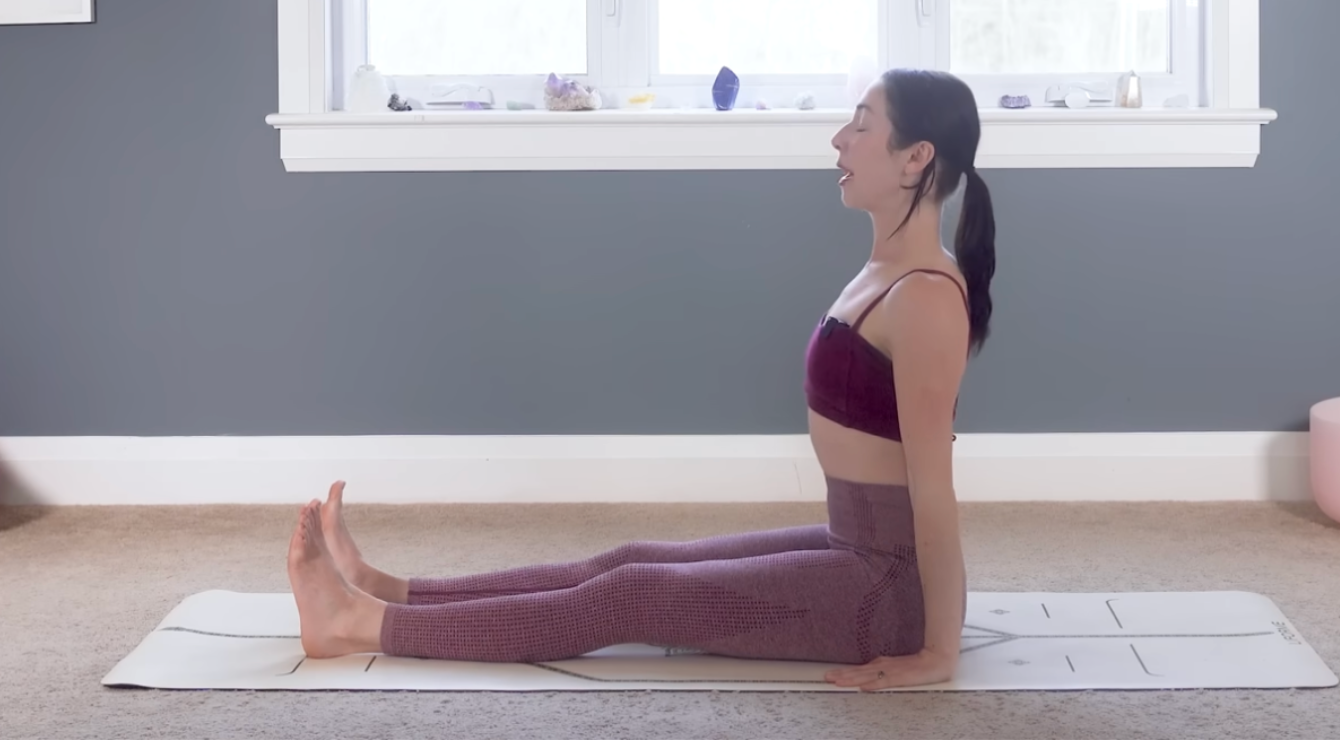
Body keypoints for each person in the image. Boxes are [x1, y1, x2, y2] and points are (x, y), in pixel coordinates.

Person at [284, 68, 997, 692]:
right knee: (630, 560)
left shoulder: (926, 298)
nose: (839, 140)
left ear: (917, 159)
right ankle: (393, 593)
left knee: (631, 596)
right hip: (855, 546)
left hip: (882, 591)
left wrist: (937, 650)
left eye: (862, 127)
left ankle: (356, 625)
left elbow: (934, 490)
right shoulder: (887, 275)